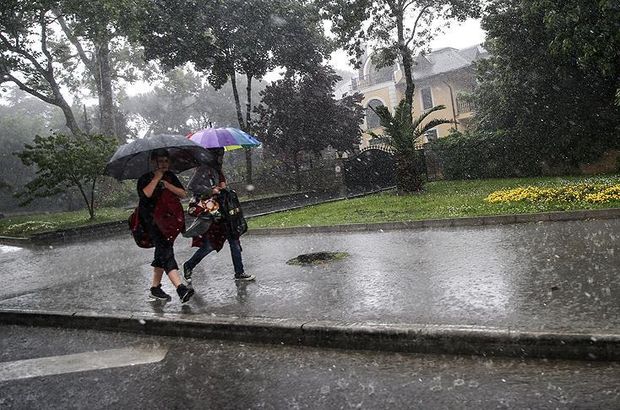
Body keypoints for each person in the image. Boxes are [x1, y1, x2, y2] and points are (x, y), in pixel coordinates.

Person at [183, 147, 255, 284]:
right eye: (218, 154)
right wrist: (211, 190)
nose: (221, 157)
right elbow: (192, 186)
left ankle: (239, 272)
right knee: (210, 245)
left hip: (224, 210)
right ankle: (189, 265)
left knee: (234, 240)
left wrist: (222, 187)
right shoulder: (203, 169)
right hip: (213, 213)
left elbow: (222, 184)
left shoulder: (216, 169)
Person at [137, 148, 194, 303]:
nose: (163, 164)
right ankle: (180, 288)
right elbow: (146, 194)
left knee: (161, 253)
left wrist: (167, 184)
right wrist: (156, 178)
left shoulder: (170, 177)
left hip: (168, 222)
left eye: (166, 161)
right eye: (160, 161)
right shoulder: (145, 178)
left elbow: (182, 193)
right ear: (153, 162)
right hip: (152, 223)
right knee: (166, 252)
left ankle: (155, 289)